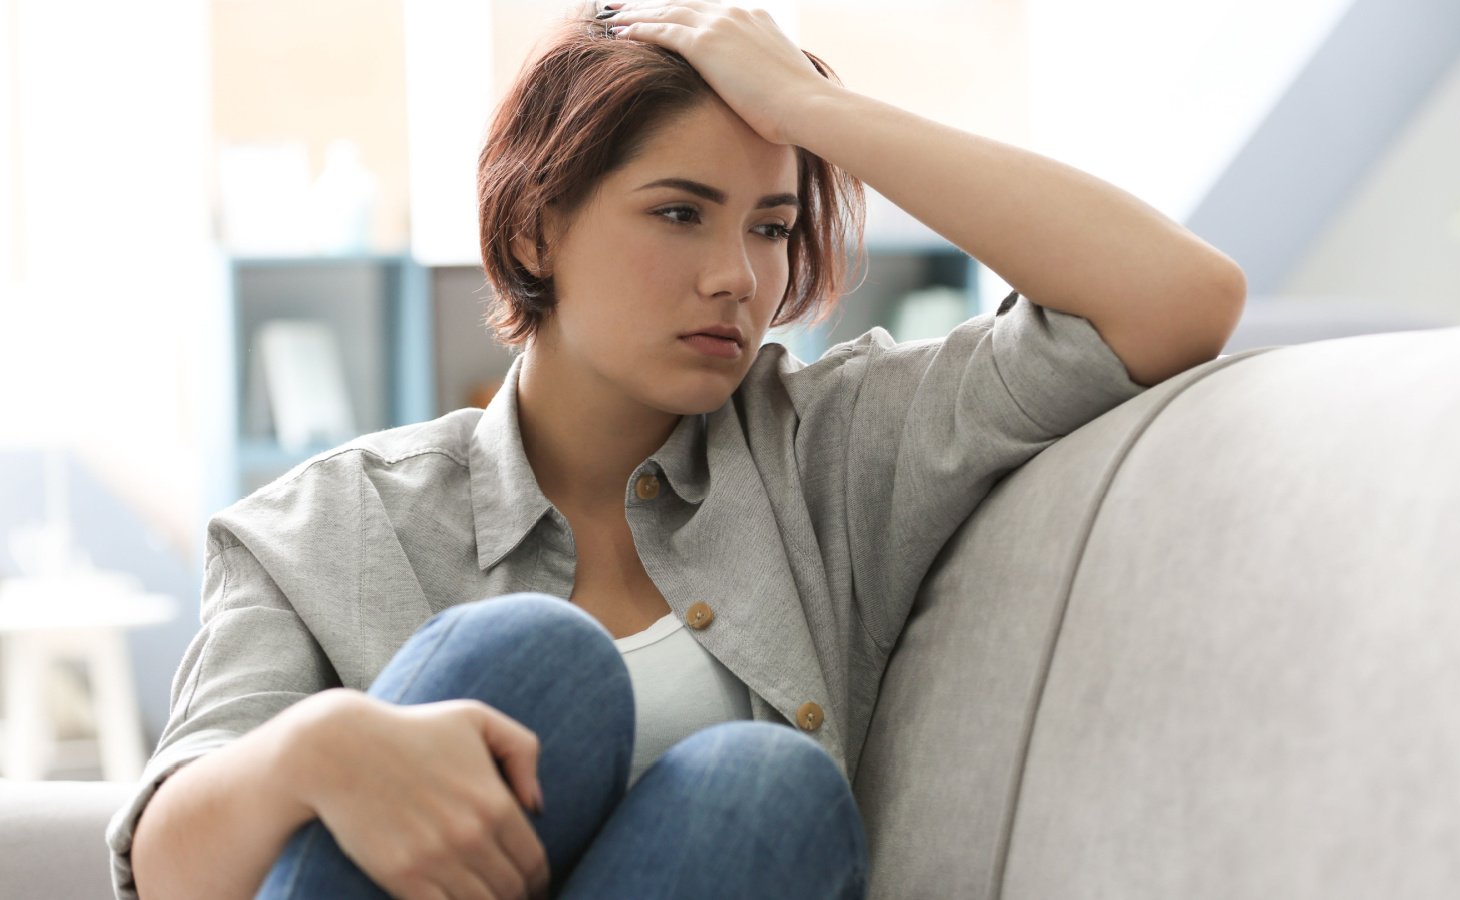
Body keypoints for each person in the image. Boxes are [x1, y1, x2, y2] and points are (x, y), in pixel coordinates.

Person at [108, 2, 1247, 898]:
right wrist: (318, 753)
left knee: (765, 791)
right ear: (529, 228)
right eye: (678, 212)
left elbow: (1176, 300)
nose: (737, 279)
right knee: (528, 662)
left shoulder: (827, 451)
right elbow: (170, 872)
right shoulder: (331, 524)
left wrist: (814, 112)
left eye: (769, 225)